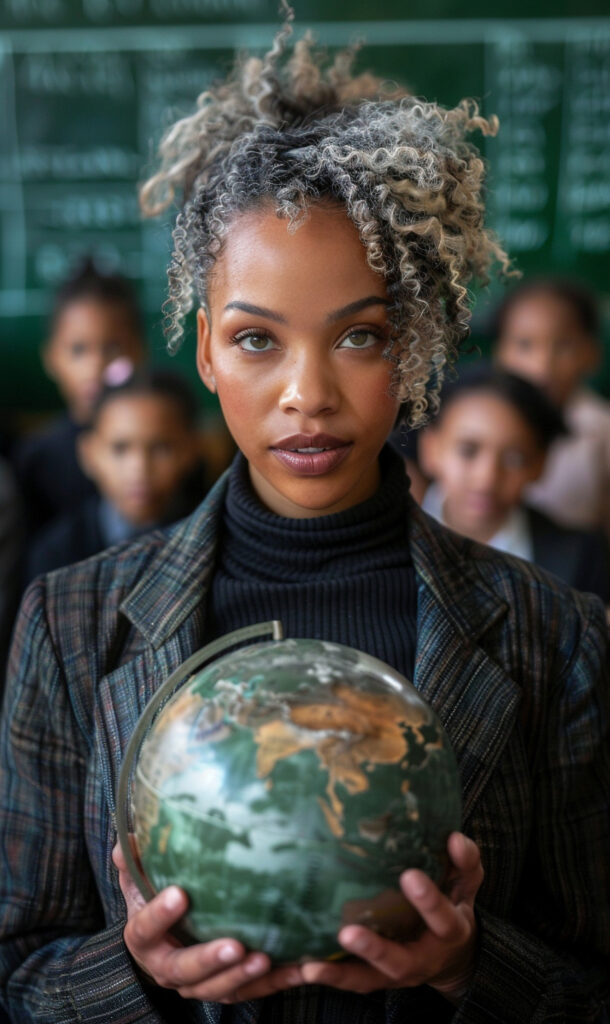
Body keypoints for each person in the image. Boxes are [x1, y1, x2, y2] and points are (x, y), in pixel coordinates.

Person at [1, 15, 609, 1023]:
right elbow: (17, 974)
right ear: (203, 350)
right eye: (255, 340)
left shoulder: (559, 637)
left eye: (360, 336)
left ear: (412, 344)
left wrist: (469, 968)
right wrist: (137, 973)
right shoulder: (69, 625)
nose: (306, 394)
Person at [416, 364, 610, 602]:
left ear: (540, 464)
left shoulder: (579, 556)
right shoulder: (386, 538)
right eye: (468, 451)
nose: (486, 479)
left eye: (514, 459)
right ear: (430, 449)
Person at [23, 367, 206, 587]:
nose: (140, 469)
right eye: (120, 449)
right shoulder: (58, 553)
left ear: (191, 450)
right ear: (89, 454)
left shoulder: (210, 538)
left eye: (161, 448)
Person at [12, 257, 146, 537]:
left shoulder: (160, 443)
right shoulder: (35, 459)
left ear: (139, 351)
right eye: (78, 350)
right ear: (51, 359)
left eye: (112, 347)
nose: (96, 367)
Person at [492, 277, 610, 536]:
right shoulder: (479, 420)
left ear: (592, 353)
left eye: (564, 346)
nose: (542, 365)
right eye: (524, 345)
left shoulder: (603, 431)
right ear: (499, 352)